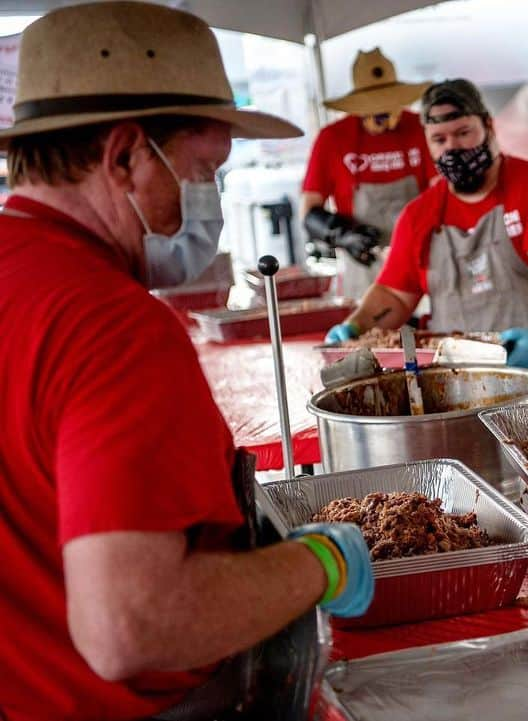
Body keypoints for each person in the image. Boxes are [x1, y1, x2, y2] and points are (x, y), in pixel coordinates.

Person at [0, 5, 375, 720]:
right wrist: (318, 564)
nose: (207, 202)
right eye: (203, 170)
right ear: (125, 157)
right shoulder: (108, 322)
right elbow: (130, 624)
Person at [325, 79, 528, 370]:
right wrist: (355, 327)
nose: (452, 147)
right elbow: (394, 296)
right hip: (460, 386)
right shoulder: (419, 215)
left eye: (463, 133)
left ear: (488, 127)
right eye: (439, 139)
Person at [301, 49, 435, 299]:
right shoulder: (332, 139)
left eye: (388, 107)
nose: (382, 117)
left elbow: (442, 193)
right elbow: (309, 211)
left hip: (422, 260)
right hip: (364, 266)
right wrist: (343, 235)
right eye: (374, 109)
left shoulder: (421, 128)